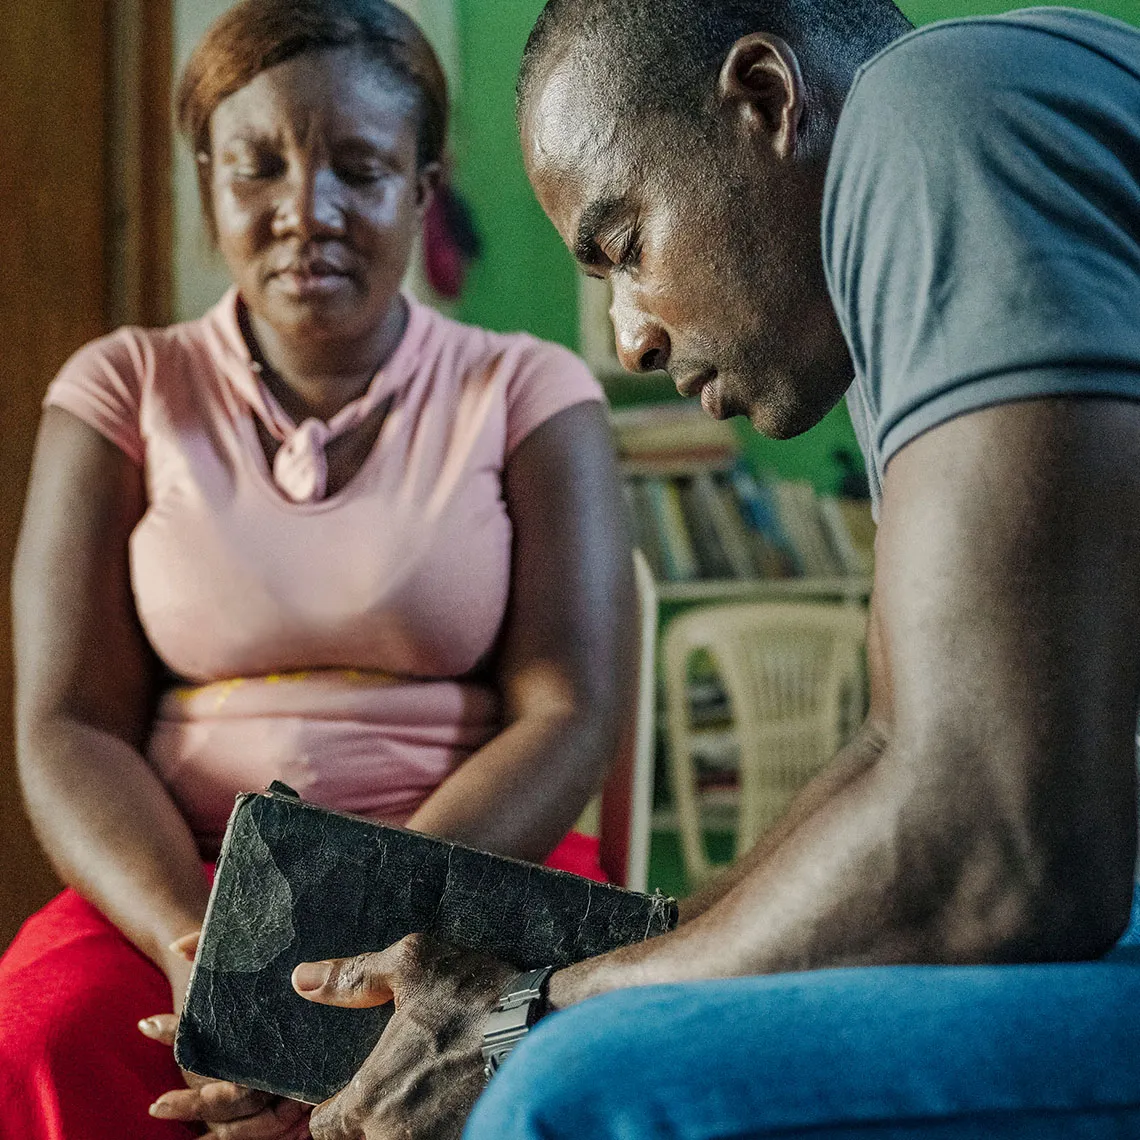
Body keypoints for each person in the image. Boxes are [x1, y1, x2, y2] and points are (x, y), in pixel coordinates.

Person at [276, 2, 1140, 1138]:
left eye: (624, 247)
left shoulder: (932, 113)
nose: (629, 334)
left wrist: (517, 1020)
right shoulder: (916, 251)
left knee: (565, 1090)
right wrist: (604, 958)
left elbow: (998, 853)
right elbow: (899, 755)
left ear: (767, 102)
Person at [0, 0, 634, 1137]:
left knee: (559, 1055)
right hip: (177, 881)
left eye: (360, 168)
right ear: (206, 178)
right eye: (258, 167)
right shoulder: (120, 388)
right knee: (42, 1037)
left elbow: (569, 707)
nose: (309, 212)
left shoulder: (529, 391)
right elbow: (68, 722)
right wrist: (207, 948)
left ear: (423, 188)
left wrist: (379, 923)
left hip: (476, 874)